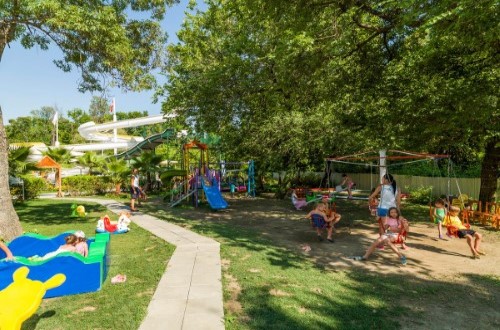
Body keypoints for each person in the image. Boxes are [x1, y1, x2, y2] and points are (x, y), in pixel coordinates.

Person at [369, 173, 401, 248]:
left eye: (383, 178)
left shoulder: (381, 186)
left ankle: (383, 243)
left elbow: (372, 196)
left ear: (386, 180)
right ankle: (385, 242)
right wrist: (398, 210)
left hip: (383, 209)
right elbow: (398, 202)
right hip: (393, 210)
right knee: (386, 226)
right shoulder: (397, 187)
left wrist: (370, 201)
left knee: (383, 227)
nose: (382, 180)